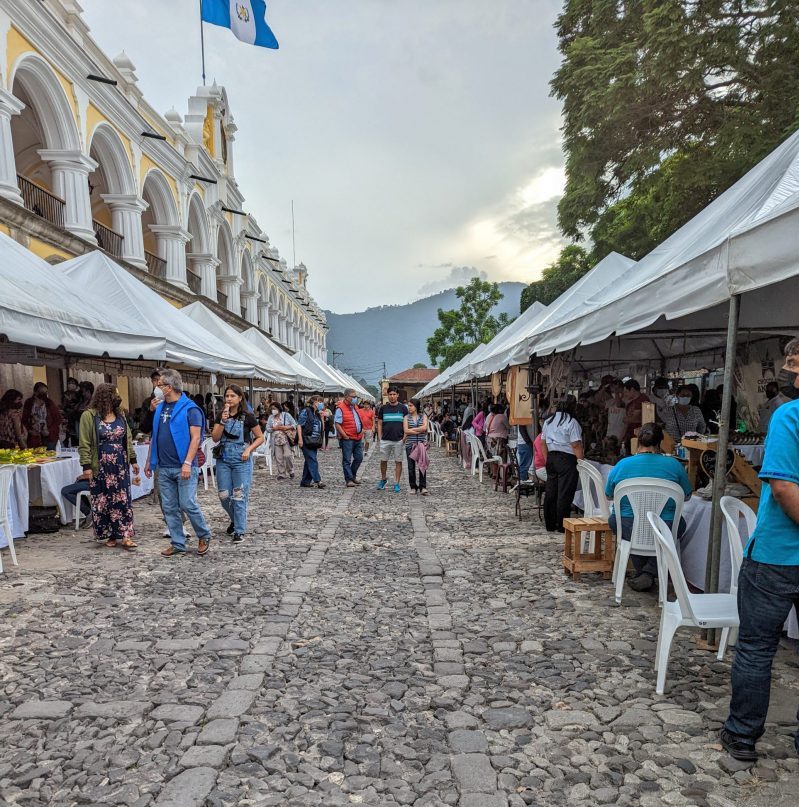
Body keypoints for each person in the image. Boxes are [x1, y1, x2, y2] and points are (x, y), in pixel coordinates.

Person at [722, 338, 799, 763]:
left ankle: (743, 737)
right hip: (779, 554)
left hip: (777, 555)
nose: (789, 372)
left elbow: (785, 486)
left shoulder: (789, 415)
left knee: (756, 648)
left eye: (794, 364)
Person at [604, 422, 692, 592]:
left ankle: (644, 573)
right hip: (664, 525)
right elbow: (686, 496)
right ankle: (649, 572)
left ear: (638, 441)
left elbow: (609, 494)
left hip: (628, 524)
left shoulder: (623, 464)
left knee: (623, 529)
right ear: (660, 442)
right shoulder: (674, 465)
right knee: (679, 526)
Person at [144, 369, 212, 557]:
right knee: (169, 506)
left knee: (188, 503)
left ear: (169, 387)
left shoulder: (191, 409)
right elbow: (155, 435)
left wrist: (188, 463)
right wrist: (150, 459)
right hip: (164, 466)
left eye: (160, 385)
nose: (156, 388)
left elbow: (196, 438)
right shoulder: (159, 408)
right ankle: (177, 542)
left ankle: (204, 534)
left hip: (184, 465)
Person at [78, 383, 140, 550]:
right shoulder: (89, 416)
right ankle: (111, 534)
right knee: (103, 501)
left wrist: (133, 460)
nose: (118, 398)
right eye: (115, 395)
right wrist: (86, 466)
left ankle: (126, 535)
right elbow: (84, 443)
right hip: (100, 465)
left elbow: (126, 440)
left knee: (122, 499)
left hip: (120, 465)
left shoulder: (121, 416)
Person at [211, 384, 264, 544]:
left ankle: (239, 530)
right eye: (227, 396)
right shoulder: (221, 415)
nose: (229, 399)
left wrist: (249, 450)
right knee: (223, 495)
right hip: (224, 459)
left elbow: (260, 437)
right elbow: (215, 437)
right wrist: (222, 420)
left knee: (239, 495)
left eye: (232, 396)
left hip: (241, 459)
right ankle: (235, 519)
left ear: (240, 398)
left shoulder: (248, 416)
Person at [541, 396, 583, 532]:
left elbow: (543, 442)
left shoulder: (548, 421)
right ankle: (561, 524)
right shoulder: (571, 422)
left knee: (551, 491)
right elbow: (575, 444)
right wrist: (581, 461)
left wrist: (548, 458)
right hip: (567, 458)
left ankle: (550, 523)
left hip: (552, 456)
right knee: (564, 492)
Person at [376, 386, 408, 492]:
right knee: (383, 460)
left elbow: (406, 422)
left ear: (397, 395)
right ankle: (383, 479)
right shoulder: (383, 408)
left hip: (398, 439)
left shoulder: (403, 408)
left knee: (398, 461)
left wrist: (405, 436)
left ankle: (397, 483)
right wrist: (380, 437)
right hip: (385, 439)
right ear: (387, 395)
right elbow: (379, 423)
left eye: (394, 394)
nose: (392, 396)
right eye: (390, 394)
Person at [336, 389, 364, 488]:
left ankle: (352, 476)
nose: (355, 398)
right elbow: (337, 424)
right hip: (348, 438)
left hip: (358, 437)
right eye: (353, 396)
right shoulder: (340, 408)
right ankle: (349, 479)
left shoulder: (355, 406)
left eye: (356, 396)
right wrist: (345, 436)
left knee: (359, 458)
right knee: (347, 460)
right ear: (347, 396)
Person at [297, 395, 326, 489]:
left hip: (315, 441)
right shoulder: (306, 411)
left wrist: (322, 417)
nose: (322, 404)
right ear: (315, 402)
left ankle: (305, 481)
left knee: (309, 460)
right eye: (320, 402)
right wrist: (300, 439)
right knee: (312, 459)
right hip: (306, 439)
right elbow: (299, 425)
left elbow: (323, 428)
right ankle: (318, 480)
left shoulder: (317, 413)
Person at [22, 382, 62, 450]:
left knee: (50, 456)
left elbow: (57, 419)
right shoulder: (29, 403)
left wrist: (49, 431)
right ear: (35, 392)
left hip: (49, 436)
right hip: (34, 436)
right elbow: (24, 419)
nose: (44, 394)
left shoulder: (49, 402)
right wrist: (29, 430)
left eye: (46, 392)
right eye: (42, 392)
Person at [403, 399, 429, 494]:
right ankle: (413, 486)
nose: (409, 407)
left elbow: (425, 428)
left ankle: (423, 486)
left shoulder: (423, 416)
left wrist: (412, 429)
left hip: (421, 444)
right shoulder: (406, 417)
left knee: (422, 465)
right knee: (411, 467)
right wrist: (419, 430)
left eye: (410, 405)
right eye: (408, 405)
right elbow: (406, 430)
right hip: (410, 444)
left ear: (416, 406)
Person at [266, 403, 297, 480]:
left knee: (287, 455)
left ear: (278, 409)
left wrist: (285, 427)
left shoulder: (286, 415)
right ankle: (281, 473)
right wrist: (274, 428)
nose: (273, 410)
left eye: (274, 409)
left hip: (285, 438)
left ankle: (291, 471)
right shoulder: (271, 417)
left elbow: (294, 424)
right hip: (275, 439)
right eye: (272, 409)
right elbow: (267, 428)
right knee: (278, 457)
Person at [622, 379, 650, 449]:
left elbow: (634, 418)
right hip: (631, 435)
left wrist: (627, 419)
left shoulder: (643, 399)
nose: (625, 394)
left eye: (626, 392)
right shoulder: (631, 403)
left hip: (640, 438)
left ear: (632, 389)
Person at [139, 369, 162, 436]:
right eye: (155, 380)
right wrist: (150, 411)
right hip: (155, 441)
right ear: (152, 382)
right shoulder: (147, 402)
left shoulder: (172, 401)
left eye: (161, 380)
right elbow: (144, 429)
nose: (158, 383)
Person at [61, 377, 82, 446]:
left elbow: (78, 406)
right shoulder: (65, 394)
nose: (70, 385)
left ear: (76, 385)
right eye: (69, 383)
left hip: (76, 419)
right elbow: (63, 406)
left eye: (73, 383)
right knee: (69, 435)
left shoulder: (78, 395)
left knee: (76, 436)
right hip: (67, 419)